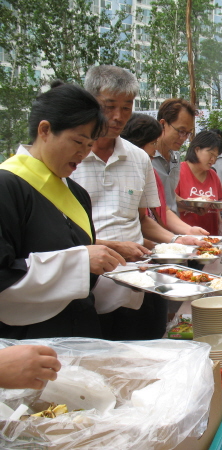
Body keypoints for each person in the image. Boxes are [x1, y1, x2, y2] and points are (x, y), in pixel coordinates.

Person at [72, 65, 202, 340]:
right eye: (109, 106)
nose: (118, 116)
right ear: (90, 102)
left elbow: (144, 219)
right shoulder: (71, 157)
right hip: (84, 281)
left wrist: (176, 241)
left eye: (127, 107)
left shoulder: (139, 158)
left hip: (136, 279)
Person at [0, 82, 125, 339]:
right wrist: (78, 261)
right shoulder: (7, 185)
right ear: (45, 130)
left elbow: (82, 283)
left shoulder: (77, 194)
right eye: (78, 141)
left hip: (80, 336)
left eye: (90, 144)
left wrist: (133, 279)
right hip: (27, 344)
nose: (83, 153)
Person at [121, 113, 210, 236]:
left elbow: (161, 210)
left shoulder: (151, 172)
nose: (183, 138)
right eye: (153, 143)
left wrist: (186, 232)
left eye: (188, 133)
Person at [175, 131, 222, 235]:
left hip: (212, 237)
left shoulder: (213, 174)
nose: (213, 160)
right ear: (197, 149)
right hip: (186, 238)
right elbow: (170, 204)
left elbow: (221, 200)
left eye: (216, 156)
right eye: (211, 154)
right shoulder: (178, 172)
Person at [153, 98, 196, 215]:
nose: (184, 138)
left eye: (188, 133)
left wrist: (191, 205)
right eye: (181, 131)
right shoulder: (147, 157)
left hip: (172, 228)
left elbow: (169, 196)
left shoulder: (175, 157)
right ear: (163, 124)